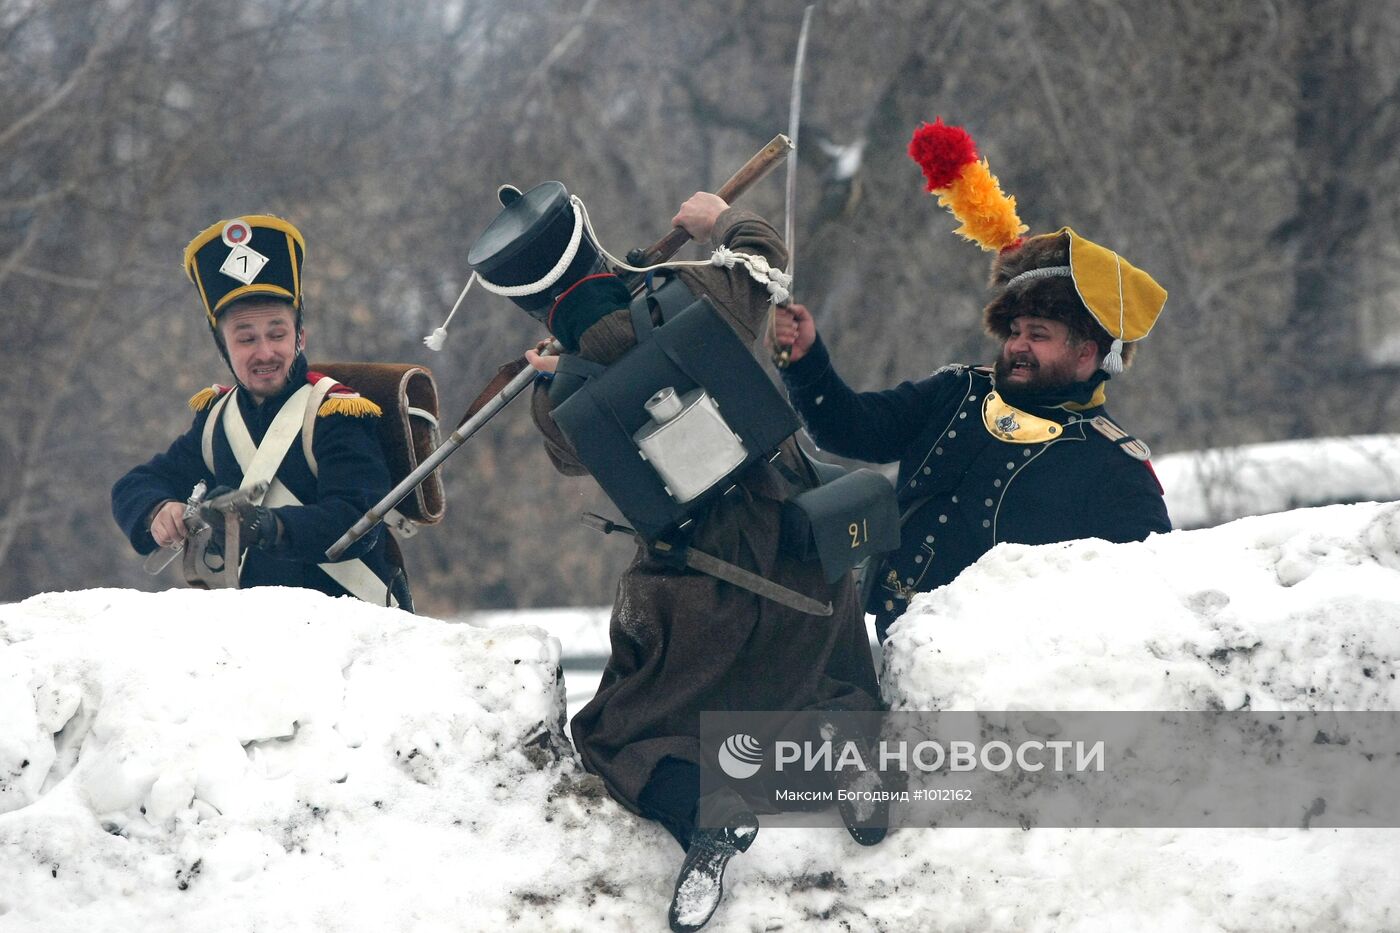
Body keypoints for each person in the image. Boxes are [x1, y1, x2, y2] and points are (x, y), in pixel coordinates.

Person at [469, 184, 883, 932]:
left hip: (696, 611)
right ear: (586, 234)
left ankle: (706, 816)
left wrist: (556, 361)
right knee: (831, 674)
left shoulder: (555, 397)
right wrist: (710, 221)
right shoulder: (692, 289)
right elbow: (765, 259)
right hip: (803, 561)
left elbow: (571, 454)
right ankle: (849, 756)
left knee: (614, 734)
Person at [773, 228, 1172, 642]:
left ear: (1087, 353)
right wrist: (803, 362)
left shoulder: (1116, 467)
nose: (1017, 346)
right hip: (885, 642)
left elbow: (1147, 600)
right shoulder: (957, 391)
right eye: (1015, 332)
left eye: (1038, 335)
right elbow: (849, 429)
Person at [112, 214, 412, 610]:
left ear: (299, 336)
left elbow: (358, 519)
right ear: (223, 347)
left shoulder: (336, 412)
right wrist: (158, 510)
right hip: (256, 633)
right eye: (246, 338)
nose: (265, 352)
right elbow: (136, 484)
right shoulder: (216, 419)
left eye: (277, 333)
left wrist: (269, 526)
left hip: (350, 625)